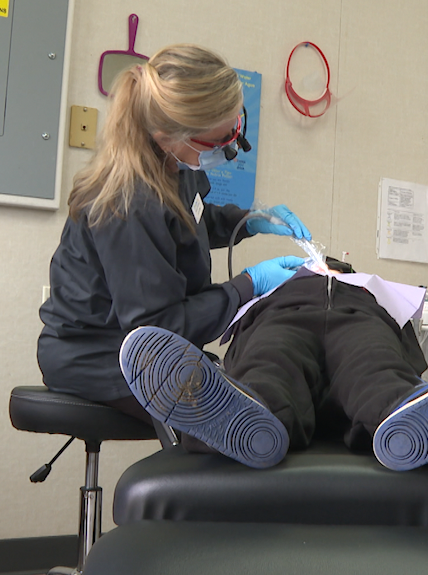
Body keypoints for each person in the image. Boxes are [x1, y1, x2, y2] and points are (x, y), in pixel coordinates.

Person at [37, 44, 312, 428]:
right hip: (101, 356)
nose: (231, 150)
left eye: (235, 129)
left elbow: (189, 222)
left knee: (281, 394)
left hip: (155, 341)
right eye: (218, 141)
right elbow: (157, 328)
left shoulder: (175, 165)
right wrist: (249, 285)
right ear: (166, 136)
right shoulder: (128, 203)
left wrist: (249, 221)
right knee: (254, 425)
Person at [119, 259, 428, 471]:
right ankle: (241, 417)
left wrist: (357, 285)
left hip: (359, 319)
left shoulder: (368, 289)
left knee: (378, 375)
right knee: (269, 369)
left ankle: (418, 417)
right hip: (281, 317)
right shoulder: (276, 288)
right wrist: (264, 287)